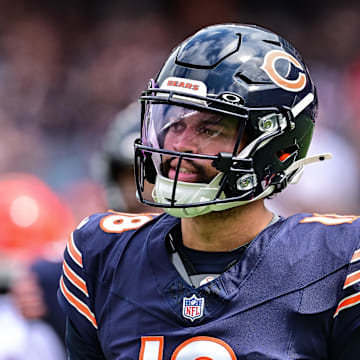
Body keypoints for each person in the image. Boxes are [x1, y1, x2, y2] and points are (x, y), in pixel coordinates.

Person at [58, 24, 360, 359]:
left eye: (209, 128)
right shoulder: (102, 255)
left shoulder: (335, 260)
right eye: (174, 123)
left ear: (271, 145)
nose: (178, 145)